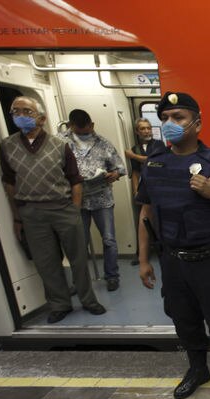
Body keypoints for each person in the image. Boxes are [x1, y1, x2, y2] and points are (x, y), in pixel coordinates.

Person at [136, 92, 210, 399]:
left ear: (197, 123)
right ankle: (198, 370)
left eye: (178, 117)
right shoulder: (154, 164)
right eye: (165, 118)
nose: (169, 124)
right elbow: (145, 212)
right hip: (172, 261)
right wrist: (143, 259)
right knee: (183, 320)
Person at [0, 96, 106, 323]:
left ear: (41, 118)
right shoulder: (7, 146)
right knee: (46, 262)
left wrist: (75, 211)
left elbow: (75, 180)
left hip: (63, 208)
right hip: (31, 212)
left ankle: (88, 300)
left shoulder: (60, 146)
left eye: (27, 112)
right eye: (15, 111)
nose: (21, 116)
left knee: (78, 258)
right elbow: (9, 182)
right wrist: (17, 217)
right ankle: (60, 303)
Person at [61, 109, 127, 291]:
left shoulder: (103, 143)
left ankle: (112, 276)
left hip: (101, 198)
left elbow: (120, 168)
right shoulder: (60, 142)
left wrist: (114, 174)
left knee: (109, 240)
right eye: (80, 130)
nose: (85, 133)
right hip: (76, 200)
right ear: (71, 126)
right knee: (78, 243)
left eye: (87, 129)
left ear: (92, 125)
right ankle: (79, 282)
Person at [126, 118, 165, 265]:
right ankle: (143, 255)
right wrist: (135, 190)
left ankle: (163, 249)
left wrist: (132, 156)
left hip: (158, 187)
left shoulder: (159, 144)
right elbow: (135, 172)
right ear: (137, 131)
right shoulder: (135, 148)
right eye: (142, 128)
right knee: (144, 221)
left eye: (148, 128)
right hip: (144, 189)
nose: (146, 131)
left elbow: (151, 160)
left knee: (159, 220)